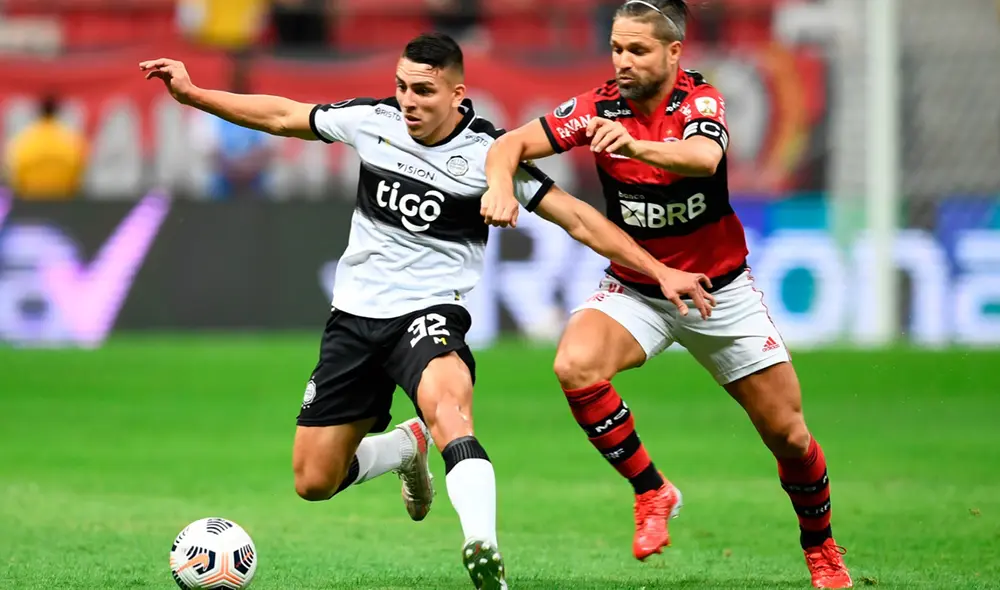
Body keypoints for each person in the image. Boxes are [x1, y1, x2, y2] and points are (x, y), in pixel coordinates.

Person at [141, 32, 713, 590]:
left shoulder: (488, 156)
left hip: (431, 313)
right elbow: (282, 115)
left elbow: (580, 219)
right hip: (354, 317)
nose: (409, 102)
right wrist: (194, 95)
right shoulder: (375, 122)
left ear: (458, 95)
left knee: (450, 409)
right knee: (314, 480)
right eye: (402, 88)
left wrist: (659, 271)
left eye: (423, 91)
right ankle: (404, 446)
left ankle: (482, 548)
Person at [480, 1, 853, 588]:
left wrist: (631, 145)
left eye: (638, 50)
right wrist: (501, 187)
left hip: (719, 293)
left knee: (789, 435)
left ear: (674, 53)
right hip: (638, 288)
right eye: (616, 49)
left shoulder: (700, 102)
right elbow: (506, 146)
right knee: (574, 364)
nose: (622, 62)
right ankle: (652, 491)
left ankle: (822, 548)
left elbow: (705, 159)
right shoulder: (595, 107)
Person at [4, 95, 87, 200]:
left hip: (30, 198)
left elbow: (15, 171)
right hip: (63, 198)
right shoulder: (71, 139)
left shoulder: (25, 139)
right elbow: (80, 171)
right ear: (58, 112)